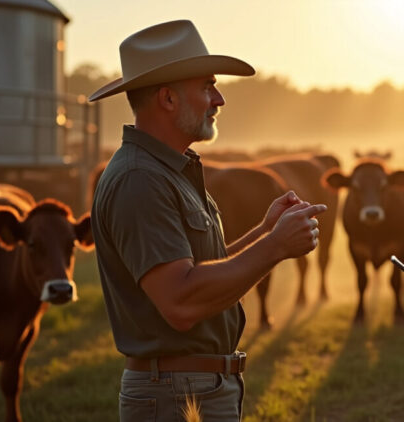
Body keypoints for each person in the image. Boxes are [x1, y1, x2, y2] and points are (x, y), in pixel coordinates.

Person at [89, 20, 326, 421]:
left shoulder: (165, 171)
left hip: (191, 388)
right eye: (207, 87)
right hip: (177, 395)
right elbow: (180, 302)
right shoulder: (140, 180)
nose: (219, 99)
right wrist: (275, 247)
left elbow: (195, 275)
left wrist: (264, 233)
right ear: (167, 98)